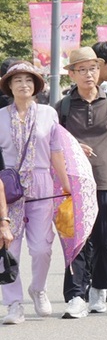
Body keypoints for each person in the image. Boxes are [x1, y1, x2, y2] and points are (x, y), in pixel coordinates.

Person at [57, 47, 107, 318]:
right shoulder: (64, 106)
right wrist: (74, 145)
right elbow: (55, 144)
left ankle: (99, 288)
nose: (88, 74)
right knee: (77, 238)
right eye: (82, 69)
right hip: (74, 183)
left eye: (92, 68)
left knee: (103, 238)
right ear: (73, 74)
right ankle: (76, 295)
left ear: (98, 70)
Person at [0, 63, 70, 324]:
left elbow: (56, 151)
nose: (23, 85)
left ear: (36, 86)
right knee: (8, 248)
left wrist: (65, 186)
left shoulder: (48, 114)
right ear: (9, 86)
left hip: (42, 183)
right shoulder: (0, 117)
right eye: (17, 80)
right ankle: (14, 303)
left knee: (42, 247)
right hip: (8, 186)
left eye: (28, 80)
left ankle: (38, 289)